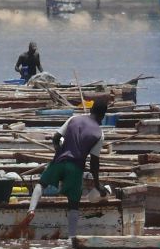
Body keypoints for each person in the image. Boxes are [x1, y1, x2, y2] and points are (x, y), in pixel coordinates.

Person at [26, 97, 110, 238]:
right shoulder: (99, 134)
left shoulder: (74, 119)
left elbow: (56, 138)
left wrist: (58, 151)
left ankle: (31, 210)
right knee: (73, 203)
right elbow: (94, 164)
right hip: (76, 168)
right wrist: (97, 185)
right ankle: (72, 237)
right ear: (103, 116)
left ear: (91, 109)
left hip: (59, 161)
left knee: (41, 184)